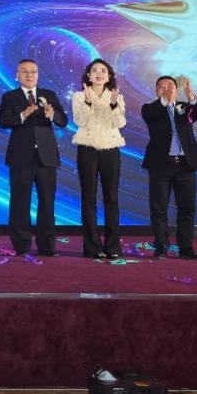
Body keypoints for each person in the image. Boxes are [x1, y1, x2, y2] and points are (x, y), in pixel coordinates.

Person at [0, 59, 68, 257]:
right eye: (25, 71)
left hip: (46, 157)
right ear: (17, 75)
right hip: (21, 157)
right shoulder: (10, 96)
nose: (29, 75)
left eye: (33, 71)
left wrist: (52, 114)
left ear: (38, 74)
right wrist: (23, 114)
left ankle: (47, 246)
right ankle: (21, 245)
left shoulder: (49, 95)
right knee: (20, 202)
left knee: (47, 202)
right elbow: (3, 121)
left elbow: (63, 121)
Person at [141, 75, 197, 260]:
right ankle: (161, 246)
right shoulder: (150, 108)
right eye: (162, 87)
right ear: (156, 91)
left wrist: (190, 95)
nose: (168, 89)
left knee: (187, 208)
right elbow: (150, 114)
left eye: (171, 86)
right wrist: (165, 98)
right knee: (159, 208)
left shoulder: (183, 107)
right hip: (160, 165)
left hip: (185, 165)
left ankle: (185, 247)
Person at [72, 58, 127, 259]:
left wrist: (113, 104)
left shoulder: (116, 96)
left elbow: (120, 123)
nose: (99, 73)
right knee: (89, 197)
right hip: (87, 148)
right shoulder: (79, 96)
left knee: (111, 197)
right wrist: (87, 102)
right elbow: (79, 120)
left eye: (103, 70)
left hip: (110, 148)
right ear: (88, 75)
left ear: (109, 75)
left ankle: (113, 247)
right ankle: (92, 247)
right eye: (94, 70)